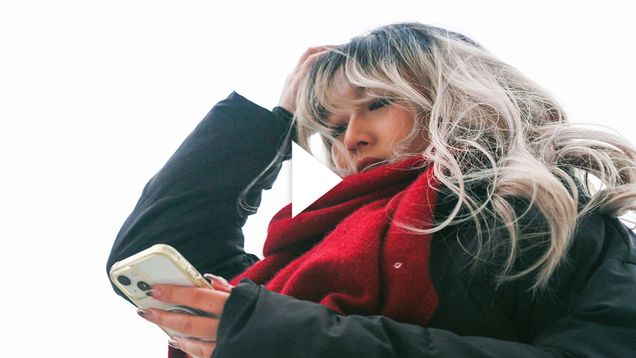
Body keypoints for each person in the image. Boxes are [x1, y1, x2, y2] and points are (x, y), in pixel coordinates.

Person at [107, 22, 636, 357]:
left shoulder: (550, 217)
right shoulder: (313, 247)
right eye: (333, 128)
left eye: (377, 104)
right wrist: (273, 121)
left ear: (453, 95)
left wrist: (286, 338)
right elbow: (158, 250)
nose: (352, 138)